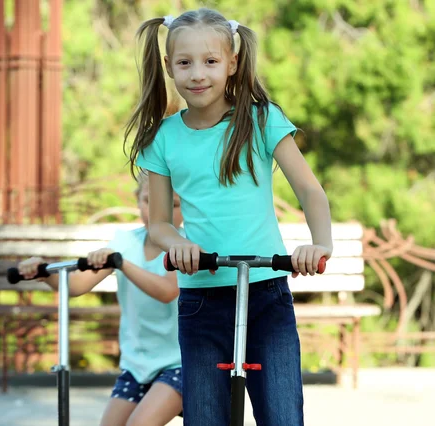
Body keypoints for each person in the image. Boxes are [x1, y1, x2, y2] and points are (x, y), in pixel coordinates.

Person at [124, 8, 334, 426]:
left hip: (266, 292)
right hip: (202, 296)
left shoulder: (260, 119)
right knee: (204, 417)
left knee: (282, 414)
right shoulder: (162, 138)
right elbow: (160, 222)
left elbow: (310, 190)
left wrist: (320, 243)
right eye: (184, 63)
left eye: (210, 61)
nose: (197, 74)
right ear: (168, 67)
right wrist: (177, 243)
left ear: (232, 63)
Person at [17, 171, 184, 426]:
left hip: (179, 364)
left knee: (139, 425)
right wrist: (43, 272)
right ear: (138, 200)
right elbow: (75, 286)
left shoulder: (183, 247)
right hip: (137, 365)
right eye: (150, 201)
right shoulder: (125, 242)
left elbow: (167, 291)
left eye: (173, 205)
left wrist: (122, 263)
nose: (161, 211)